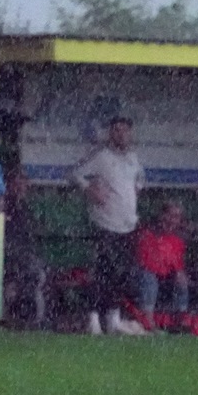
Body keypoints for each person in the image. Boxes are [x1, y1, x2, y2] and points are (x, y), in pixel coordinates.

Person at [69, 115, 146, 336]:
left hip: (127, 224)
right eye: (116, 130)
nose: (121, 134)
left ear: (130, 133)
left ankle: (114, 318)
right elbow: (75, 173)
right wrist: (90, 189)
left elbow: (140, 178)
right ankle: (93, 318)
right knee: (102, 272)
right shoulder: (101, 156)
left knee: (120, 274)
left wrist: (136, 189)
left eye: (124, 130)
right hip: (105, 224)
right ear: (111, 133)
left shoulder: (133, 158)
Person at [2, 165, 47, 328]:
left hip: (25, 255)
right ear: (10, 183)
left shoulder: (24, 206)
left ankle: (33, 317)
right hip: (9, 255)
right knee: (30, 274)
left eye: (24, 180)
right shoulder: (6, 204)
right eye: (19, 180)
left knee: (37, 274)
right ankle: (17, 315)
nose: (23, 185)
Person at [135, 200, 190, 329]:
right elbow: (146, 261)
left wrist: (178, 272)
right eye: (170, 215)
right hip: (142, 274)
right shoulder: (147, 233)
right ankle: (148, 320)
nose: (172, 220)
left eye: (176, 217)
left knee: (181, 282)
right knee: (149, 279)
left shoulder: (178, 239)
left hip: (163, 275)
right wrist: (167, 269)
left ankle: (180, 319)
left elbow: (177, 262)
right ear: (161, 215)